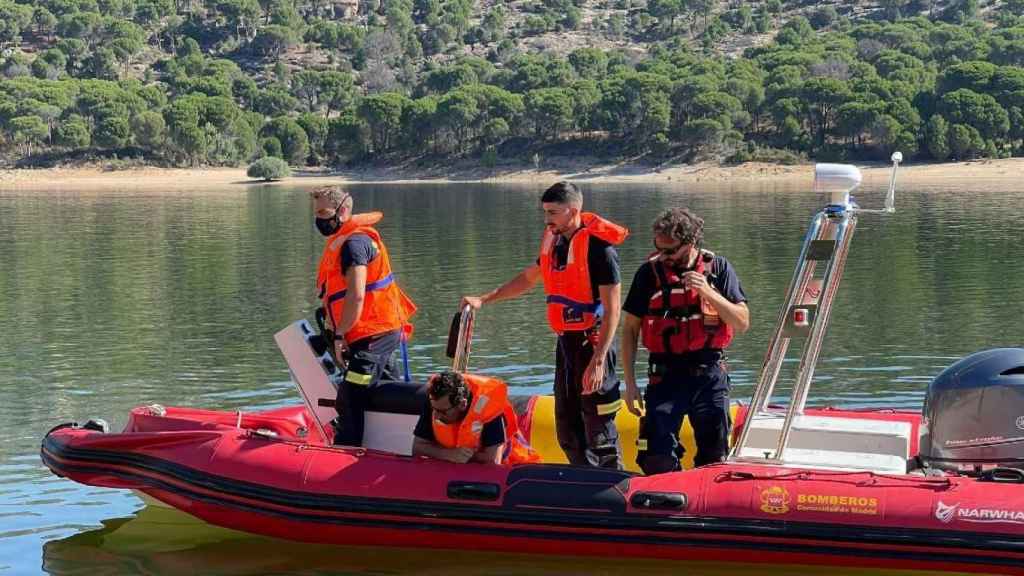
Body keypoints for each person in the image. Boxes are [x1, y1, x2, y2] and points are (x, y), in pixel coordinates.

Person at [461, 182, 628, 469]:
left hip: (593, 344)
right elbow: (527, 279)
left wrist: (599, 360)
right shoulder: (555, 241)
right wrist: (484, 299)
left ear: (572, 211)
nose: (547, 219)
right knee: (567, 429)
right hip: (566, 344)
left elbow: (613, 309)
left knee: (598, 429)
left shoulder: (601, 250)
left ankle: (611, 488)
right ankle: (582, 481)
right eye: (545, 212)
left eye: (552, 212)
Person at [621, 207, 749, 475]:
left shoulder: (719, 269)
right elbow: (630, 329)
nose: (663, 257)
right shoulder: (648, 274)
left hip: (709, 373)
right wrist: (630, 384)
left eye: (670, 251)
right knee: (658, 457)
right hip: (665, 375)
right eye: (658, 249)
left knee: (714, 455)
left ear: (690, 243)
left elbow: (741, 322)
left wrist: (708, 292)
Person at [312, 185, 417, 446]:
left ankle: (347, 453)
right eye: (317, 213)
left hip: (375, 332)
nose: (320, 220)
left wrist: (339, 335)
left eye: (325, 212)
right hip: (367, 332)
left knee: (351, 392)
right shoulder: (345, 242)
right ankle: (396, 444)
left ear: (344, 210)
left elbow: (356, 295)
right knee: (385, 386)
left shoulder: (355, 244)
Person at [412, 370, 540, 465]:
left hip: (510, 464)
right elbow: (417, 447)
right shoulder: (436, 402)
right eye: (435, 410)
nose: (437, 416)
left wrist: (465, 457)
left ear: (462, 404)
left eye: (443, 412)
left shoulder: (489, 408)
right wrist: (448, 455)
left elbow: (493, 460)